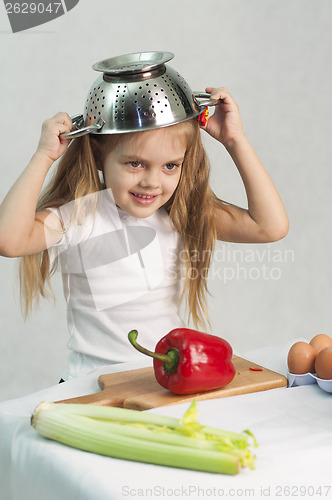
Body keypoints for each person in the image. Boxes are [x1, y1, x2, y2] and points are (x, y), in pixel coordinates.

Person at [0, 86, 289, 381]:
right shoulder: (79, 217)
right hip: (90, 383)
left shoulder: (178, 214)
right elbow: (9, 240)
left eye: (170, 166)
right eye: (135, 163)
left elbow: (269, 226)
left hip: (163, 379)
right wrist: (44, 156)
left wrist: (234, 140)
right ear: (99, 156)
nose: (152, 182)